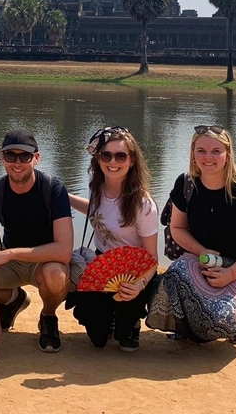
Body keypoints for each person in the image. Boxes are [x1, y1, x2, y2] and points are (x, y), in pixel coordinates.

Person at [0, 129, 73, 359]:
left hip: (44, 261)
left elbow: (64, 251)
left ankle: (48, 317)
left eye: (24, 157)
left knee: (56, 277)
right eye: (11, 156)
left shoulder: (54, 189)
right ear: (2, 158)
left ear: (36, 158)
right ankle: (13, 299)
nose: (17, 163)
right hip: (9, 262)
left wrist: (11, 253)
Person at [156, 125, 236, 344]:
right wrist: (201, 251)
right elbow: (177, 228)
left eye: (216, 151)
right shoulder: (185, 184)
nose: (208, 157)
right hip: (203, 260)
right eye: (201, 151)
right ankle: (187, 327)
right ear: (193, 154)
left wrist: (231, 274)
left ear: (227, 155)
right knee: (176, 272)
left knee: (221, 320)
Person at [66, 126, 159, 352]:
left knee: (124, 340)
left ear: (132, 160)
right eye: (106, 155)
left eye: (120, 155)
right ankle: (108, 316)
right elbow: (99, 212)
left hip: (135, 271)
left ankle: (131, 321)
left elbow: (153, 258)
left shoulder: (142, 204)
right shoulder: (96, 185)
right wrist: (64, 197)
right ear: (98, 159)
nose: (112, 161)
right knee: (97, 338)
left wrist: (138, 285)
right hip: (102, 264)